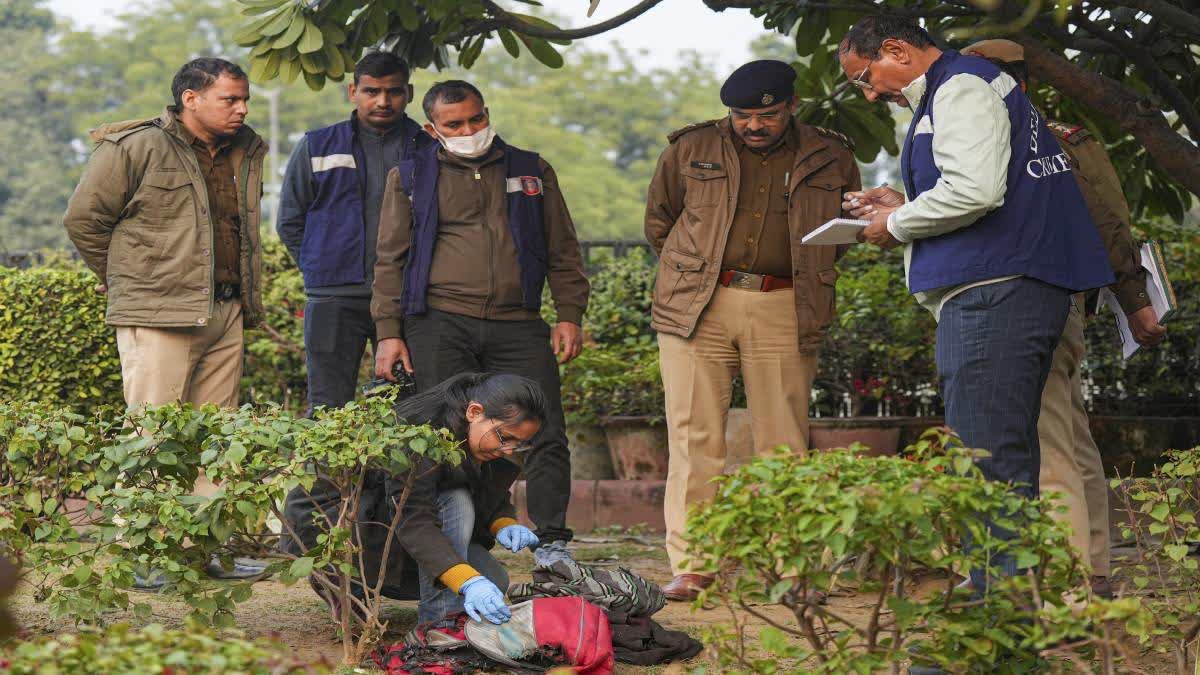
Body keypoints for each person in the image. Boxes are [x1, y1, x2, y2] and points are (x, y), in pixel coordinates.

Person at [836, 16, 1115, 601]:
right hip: (1013, 286)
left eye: (866, 76)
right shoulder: (966, 87)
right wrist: (906, 200)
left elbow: (976, 192)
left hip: (996, 290)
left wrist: (896, 222)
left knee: (990, 459)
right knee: (1005, 453)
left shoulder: (960, 85)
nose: (869, 93)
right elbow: (984, 182)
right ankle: (1012, 595)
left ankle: (1000, 609)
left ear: (896, 50)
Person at [643, 59, 862, 601]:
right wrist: (695, 273)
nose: (752, 125)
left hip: (785, 303)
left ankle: (795, 568)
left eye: (765, 114)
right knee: (694, 436)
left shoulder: (831, 153)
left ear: (791, 105)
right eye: (741, 116)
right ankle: (694, 565)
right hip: (699, 303)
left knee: (784, 441)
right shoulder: (692, 148)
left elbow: (849, 227)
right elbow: (660, 221)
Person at [962, 39, 1168, 599]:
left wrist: (1134, 298)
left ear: (1015, 85)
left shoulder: (1040, 141)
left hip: (1032, 300)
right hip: (1046, 300)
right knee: (1068, 434)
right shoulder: (1033, 138)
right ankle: (1092, 567)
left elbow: (1106, 221)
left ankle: (1068, 582)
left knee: (1044, 439)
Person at [63, 57, 267, 587]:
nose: (242, 108)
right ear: (190, 98)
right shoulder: (135, 145)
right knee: (151, 437)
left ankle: (202, 551)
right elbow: (84, 219)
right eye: (230, 99)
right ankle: (143, 555)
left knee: (216, 442)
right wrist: (122, 279)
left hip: (226, 309)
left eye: (244, 99)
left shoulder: (246, 148)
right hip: (157, 313)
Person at [371, 80, 589, 566]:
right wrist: (389, 332)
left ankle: (552, 542)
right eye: (455, 125)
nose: (469, 131)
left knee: (544, 428)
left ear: (487, 113)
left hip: (519, 320)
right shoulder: (409, 176)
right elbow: (389, 260)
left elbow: (563, 248)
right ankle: (463, 542)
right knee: (445, 433)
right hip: (440, 322)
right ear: (432, 129)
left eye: (476, 119)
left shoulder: (531, 169)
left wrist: (569, 314)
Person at [283, 372, 544, 634]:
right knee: (456, 499)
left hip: (394, 526)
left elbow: (490, 491)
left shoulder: (475, 437)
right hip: (342, 529)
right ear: (475, 412)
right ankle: (437, 623)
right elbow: (413, 518)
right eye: (505, 438)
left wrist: (504, 524)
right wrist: (467, 582)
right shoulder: (420, 436)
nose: (509, 450)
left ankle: (435, 603)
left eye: (518, 445)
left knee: (494, 580)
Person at [277, 52, 431, 413]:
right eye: (371, 91)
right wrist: (322, 267)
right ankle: (331, 475)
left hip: (407, 299)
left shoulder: (429, 148)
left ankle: (393, 474)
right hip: (334, 298)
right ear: (352, 91)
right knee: (328, 406)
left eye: (393, 92)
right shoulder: (317, 145)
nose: (382, 101)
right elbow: (290, 219)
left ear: (408, 92)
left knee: (403, 405)